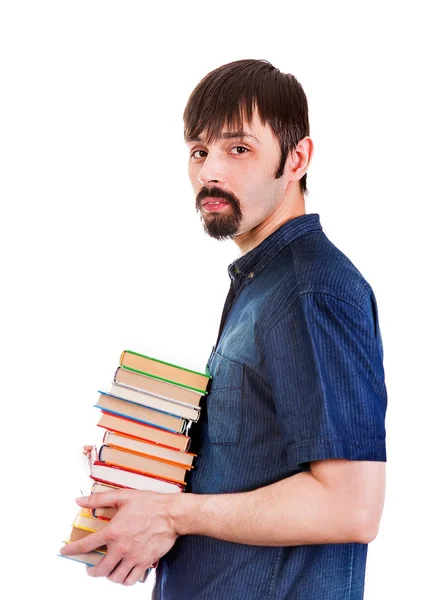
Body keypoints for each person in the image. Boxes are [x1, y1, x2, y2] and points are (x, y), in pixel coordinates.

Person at [60, 59, 388, 599]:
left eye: (238, 149)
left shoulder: (311, 291)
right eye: (199, 151)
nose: (211, 170)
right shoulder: (263, 284)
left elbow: (350, 507)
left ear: (297, 158)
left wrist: (171, 513)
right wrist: (139, 473)